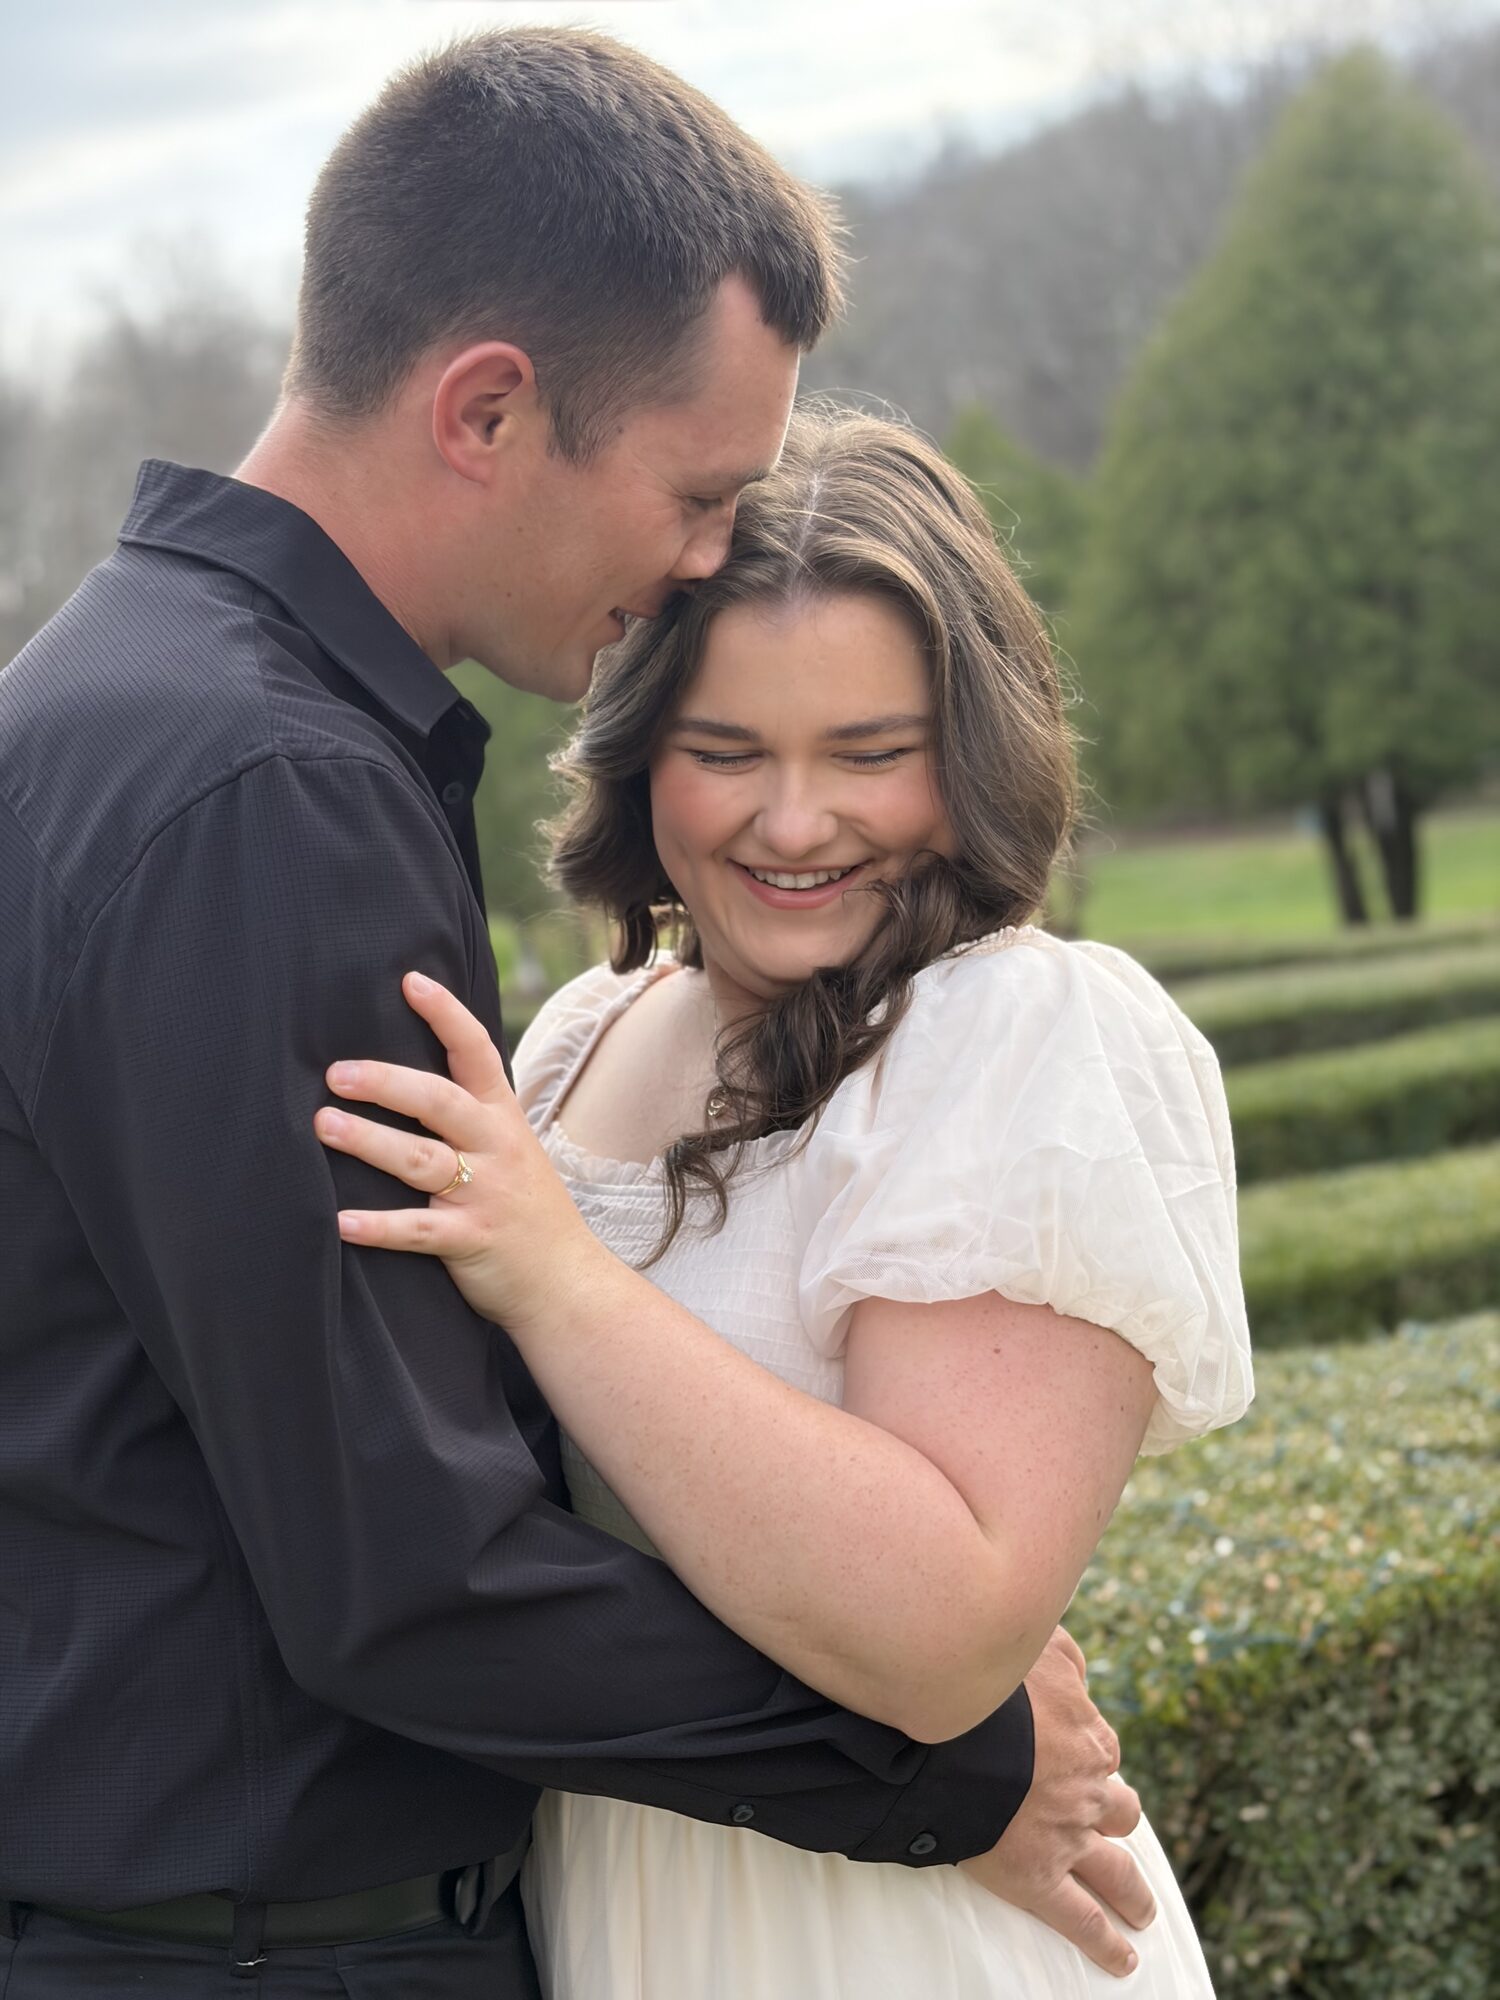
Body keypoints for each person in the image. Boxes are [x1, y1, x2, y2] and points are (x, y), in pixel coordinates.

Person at [0, 30, 1153, 1999]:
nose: (714, 552)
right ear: (489, 410)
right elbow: (404, 1572)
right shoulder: (266, 786)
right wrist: (946, 1767)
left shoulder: (98, 702)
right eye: (698, 489)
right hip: (284, 1953)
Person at [313, 405, 1254, 1997]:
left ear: (969, 759)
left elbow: (944, 1635)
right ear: (635, 756)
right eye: (727, 751)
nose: (796, 821)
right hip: (615, 1894)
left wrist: (560, 1276)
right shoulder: (570, 1044)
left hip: (902, 1935)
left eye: (872, 755)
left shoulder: (1015, 1034)